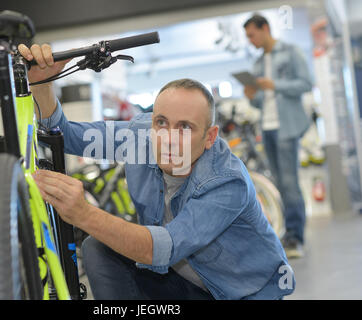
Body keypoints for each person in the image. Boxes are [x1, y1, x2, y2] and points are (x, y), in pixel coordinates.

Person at [18, 43, 295, 300]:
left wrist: (83, 213)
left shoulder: (226, 181)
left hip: (241, 294)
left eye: (185, 127)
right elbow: (62, 135)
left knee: (116, 242)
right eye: (161, 122)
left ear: (210, 137)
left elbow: (162, 249)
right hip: (182, 281)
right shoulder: (142, 136)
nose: (169, 138)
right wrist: (42, 82)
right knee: (98, 249)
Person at [243, 14, 312, 259]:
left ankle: (296, 236)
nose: (250, 41)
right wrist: (252, 95)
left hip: (287, 127)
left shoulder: (290, 52)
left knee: (290, 183)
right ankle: (288, 233)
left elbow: (306, 83)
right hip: (268, 128)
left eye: (252, 35)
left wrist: (275, 85)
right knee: (280, 184)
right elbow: (262, 102)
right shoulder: (259, 63)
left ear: (265, 29)